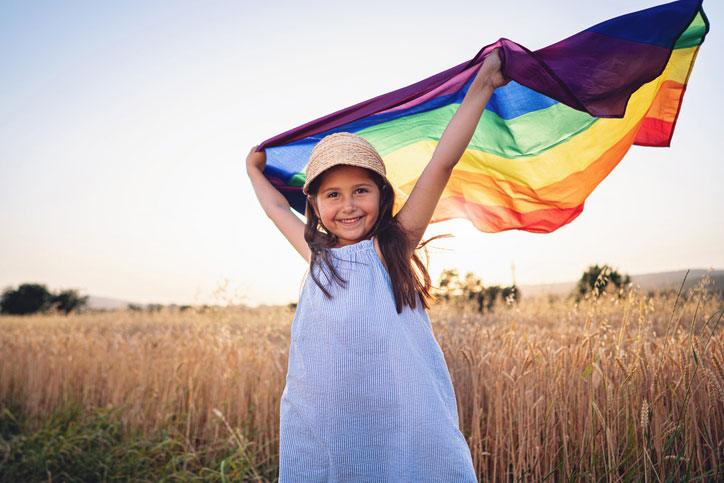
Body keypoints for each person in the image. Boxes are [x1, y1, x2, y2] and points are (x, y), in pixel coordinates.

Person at [247, 49, 507, 482]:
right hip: (326, 415)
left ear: (382, 196)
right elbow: (276, 207)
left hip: (401, 410)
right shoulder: (319, 256)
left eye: (360, 190)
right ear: (313, 204)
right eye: (333, 195)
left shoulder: (393, 246)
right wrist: (254, 170)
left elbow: (441, 163)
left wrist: (482, 85)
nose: (348, 206)